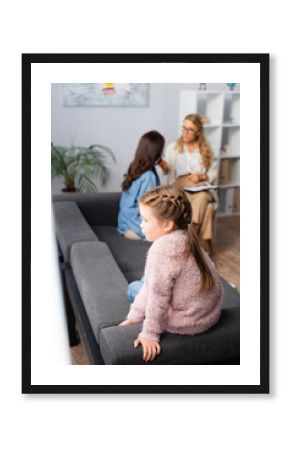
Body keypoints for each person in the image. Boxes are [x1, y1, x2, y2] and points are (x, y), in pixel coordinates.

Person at [119, 185, 223, 362]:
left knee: (134, 287)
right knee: (148, 280)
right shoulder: (187, 236)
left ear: (167, 224)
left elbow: (157, 298)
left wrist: (148, 333)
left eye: (145, 220)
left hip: (188, 321)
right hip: (209, 314)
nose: (140, 225)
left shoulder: (161, 251)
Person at [160, 114, 218, 251]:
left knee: (203, 197)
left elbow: (213, 173)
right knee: (207, 208)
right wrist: (162, 164)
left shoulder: (206, 150)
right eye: (184, 128)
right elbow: (167, 170)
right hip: (180, 184)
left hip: (199, 185)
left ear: (198, 132)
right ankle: (202, 245)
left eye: (190, 129)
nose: (185, 132)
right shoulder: (173, 147)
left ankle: (189, 240)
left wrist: (202, 176)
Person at [117, 130, 165, 240]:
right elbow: (148, 208)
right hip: (137, 228)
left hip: (124, 224)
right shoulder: (149, 176)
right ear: (156, 152)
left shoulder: (135, 167)